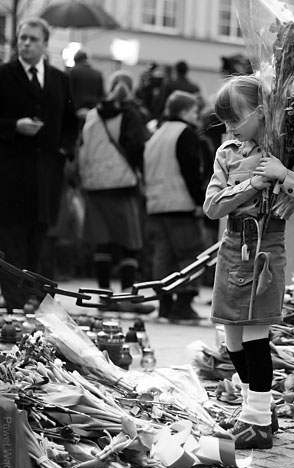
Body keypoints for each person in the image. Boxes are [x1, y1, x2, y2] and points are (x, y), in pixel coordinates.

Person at [203, 74, 294, 450]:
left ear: (260, 111)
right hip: (232, 246)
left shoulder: (289, 150)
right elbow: (212, 206)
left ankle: (256, 422)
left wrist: (283, 174)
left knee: (255, 335)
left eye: (234, 119)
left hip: (265, 250)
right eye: (224, 121)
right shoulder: (226, 153)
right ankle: (256, 408)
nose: (229, 128)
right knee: (232, 338)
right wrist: (252, 185)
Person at [0, 17, 79, 312]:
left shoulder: (59, 79)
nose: (25, 44)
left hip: (47, 174)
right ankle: (15, 303)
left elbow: (71, 122)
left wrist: (65, 149)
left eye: (32, 39)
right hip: (11, 175)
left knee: (41, 239)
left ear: (45, 44)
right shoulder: (4, 75)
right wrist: (14, 126)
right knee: (12, 239)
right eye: (22, 38)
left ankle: (39, 300)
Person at [78, 70, 153, 313]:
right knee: (128, 243)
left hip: (95, 184)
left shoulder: (92, 114)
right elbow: (136, 147)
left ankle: (104, 297)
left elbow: (82, 147)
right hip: (122, 184)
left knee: (103, 242)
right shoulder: (130, 113)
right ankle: (127, 296)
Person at [144, 90, 205, 322]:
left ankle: (165, 305)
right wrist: (199, 200)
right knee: (188, 255)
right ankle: (183, 305)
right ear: (184, 111)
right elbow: (191, 170)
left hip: (156, 204)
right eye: (194, 111)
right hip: (180, 203)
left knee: (163, 256)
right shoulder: (185, 133)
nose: (196, 116)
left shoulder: (156, 134)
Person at [69, 49, 105, 123]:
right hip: (93, 110)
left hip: (75, 110)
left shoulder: (72, 72)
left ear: (75, 60)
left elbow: (69, 92)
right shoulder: (97, 73)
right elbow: (101, 94)